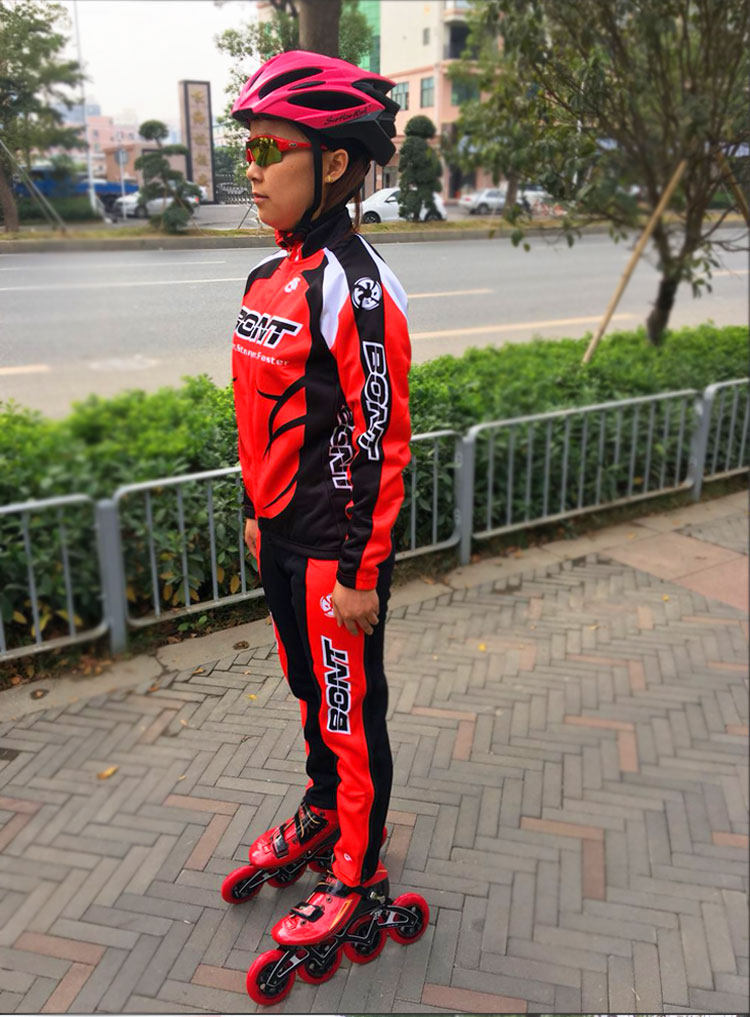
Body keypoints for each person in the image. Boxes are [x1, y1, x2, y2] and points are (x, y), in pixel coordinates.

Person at [229, 50, 411, 943]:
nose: (252, 168)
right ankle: (322, 811)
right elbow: (254, 414)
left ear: (333, 162)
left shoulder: (358, 286)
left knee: (350, 718)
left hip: (334, 558)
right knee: (310, 697)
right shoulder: (266, 278)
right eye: (248, 149)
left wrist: (361, 572)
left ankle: (359, 869)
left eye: (271, 148)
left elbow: (382, 441)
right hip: (279, 541)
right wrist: (254, 514)